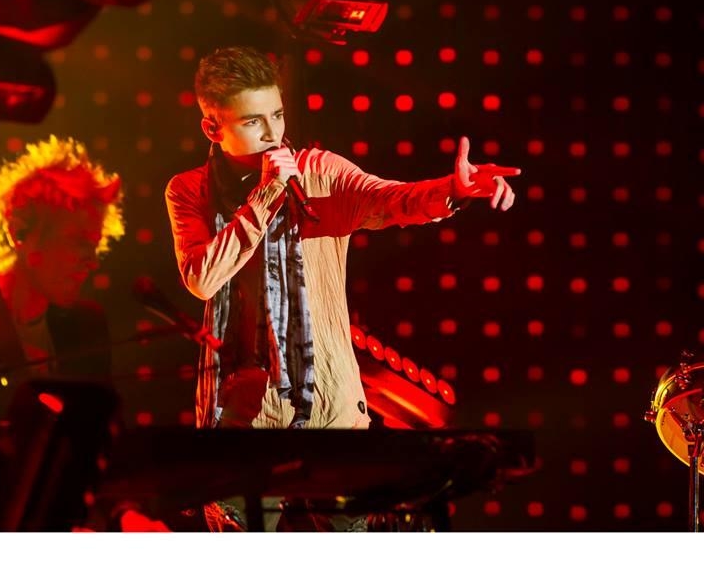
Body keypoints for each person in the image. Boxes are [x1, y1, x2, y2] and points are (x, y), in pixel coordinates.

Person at [164, 46, 519, 529]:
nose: (273, 134)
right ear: (212, 128)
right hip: (244, 419)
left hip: (332, 406)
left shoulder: (319, 170)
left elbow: (390, 199)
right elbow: (202, 278)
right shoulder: (189, 190)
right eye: (253, 122)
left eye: (277, 115)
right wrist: (266, 195)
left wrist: (452, 192)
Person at [0, 134, 124, 416]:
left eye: (95, 246)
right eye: (79, 242)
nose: (92, 262)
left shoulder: (88, 326)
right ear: (19, 233)